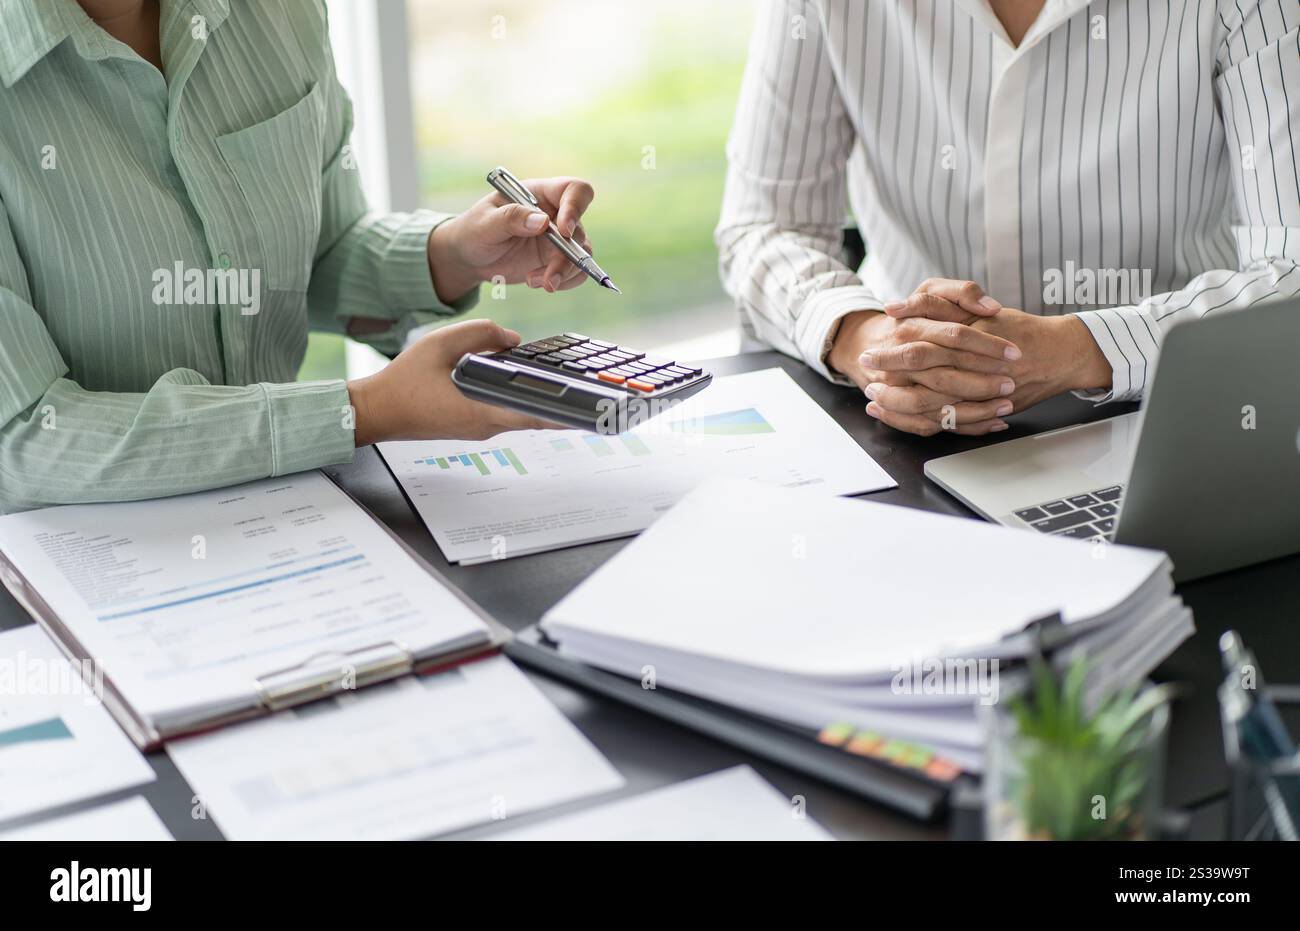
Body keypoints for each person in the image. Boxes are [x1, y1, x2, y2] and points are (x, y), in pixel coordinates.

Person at [0, 0, 596, 511]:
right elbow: (22, 440)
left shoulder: (277, 13)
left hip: (292, 522)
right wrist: (363, 410)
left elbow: (318, 249)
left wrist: (457, 254)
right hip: (73, 571)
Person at [716, 0, 1299, 436]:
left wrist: (1075, 350)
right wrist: (874, 343)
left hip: (1172, 418)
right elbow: (762, 229)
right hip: (903, 420)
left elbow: (1292, 269)